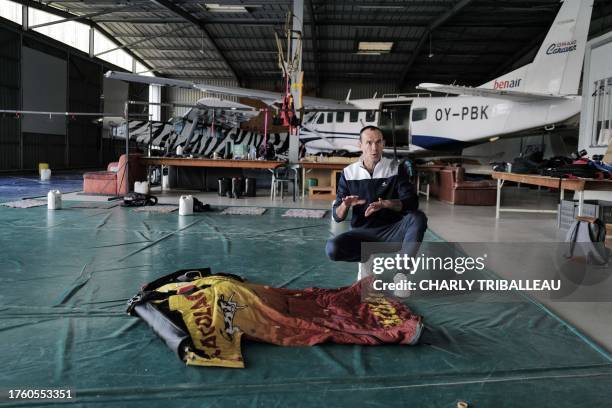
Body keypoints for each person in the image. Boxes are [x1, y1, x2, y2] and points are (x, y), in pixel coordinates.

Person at [325, 126, 427, 275]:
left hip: (392, 233)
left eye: (378, 142)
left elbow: (411, 203)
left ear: (383, 144)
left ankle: (401, 276)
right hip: (361, 234)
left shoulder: (396, 168)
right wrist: (345, 205)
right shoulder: (348, 173)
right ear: (359, 145)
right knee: (332, 248)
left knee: (418, 218)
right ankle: (364, 257)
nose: (374, 148)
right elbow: (337, 216)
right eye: (369, 143)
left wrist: (387, 203)